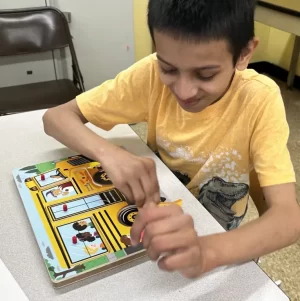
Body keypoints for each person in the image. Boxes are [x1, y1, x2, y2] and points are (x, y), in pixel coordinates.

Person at [43, 0, 300, 279]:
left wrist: (206, 253)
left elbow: (288, 218)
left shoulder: (259, 99)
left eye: (205, 74)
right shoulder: (150, 75)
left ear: (244, 53)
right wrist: (109, 152)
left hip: (221, 245)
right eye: (168, 69)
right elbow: (56, 118)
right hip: (156, 232)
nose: (184, 90)